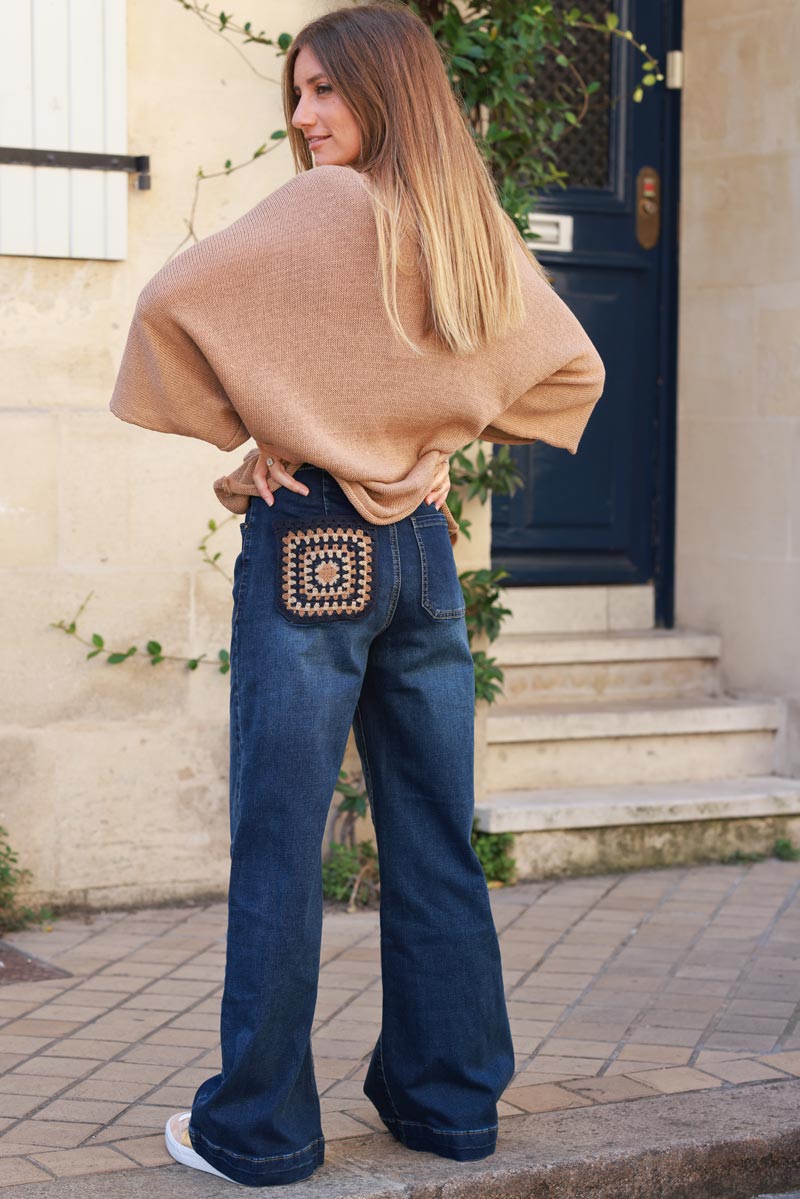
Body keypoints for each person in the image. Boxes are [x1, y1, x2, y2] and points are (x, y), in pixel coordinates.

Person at [109, 1, 605, 1187]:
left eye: (325, 89)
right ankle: (446, 1105)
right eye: (297, 91)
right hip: (425, 549)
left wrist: (264, 436)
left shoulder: (323, 205)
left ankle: (259, 1131)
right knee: (433, 835)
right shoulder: (462, 218)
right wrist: (433, 437)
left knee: (282, 839)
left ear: (386, 89)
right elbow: (567, 365)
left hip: (311, 544)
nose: (302, 115)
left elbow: (168, 304)